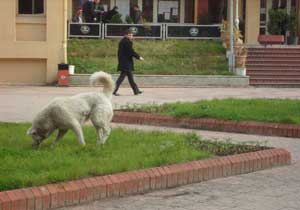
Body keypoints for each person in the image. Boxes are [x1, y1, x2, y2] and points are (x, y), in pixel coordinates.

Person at [113, 30, 144, 96]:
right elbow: (131, 52)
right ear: (126, 35)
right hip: (126, 63)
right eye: (129, 35)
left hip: (124, 62)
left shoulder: (122, 41)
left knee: (130, 77)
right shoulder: (127, 42)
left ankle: (136, 90)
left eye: (131, 35)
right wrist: (138, 57)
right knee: (122, 78)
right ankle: (113, 90)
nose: (131, 36)